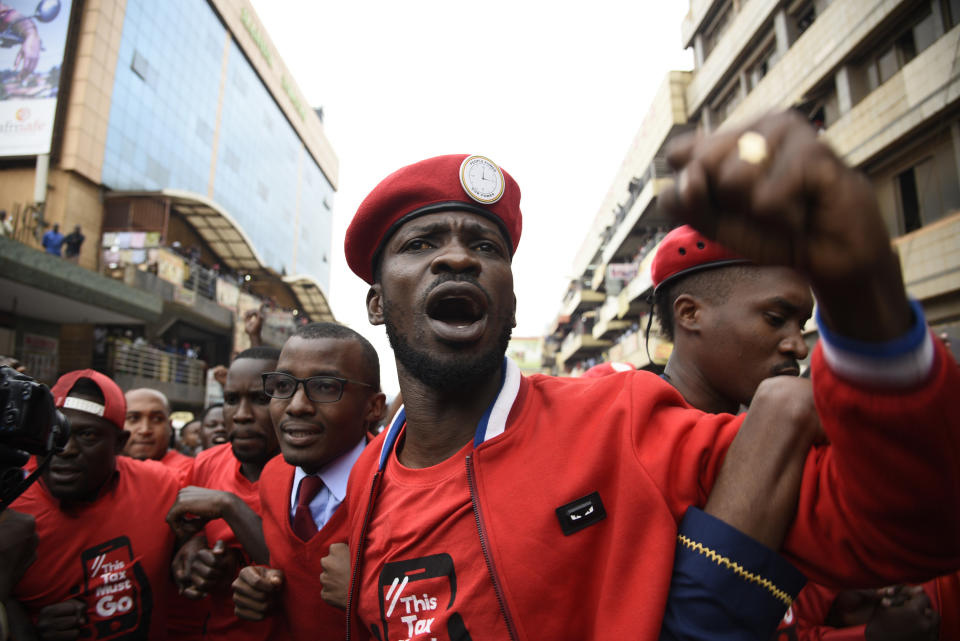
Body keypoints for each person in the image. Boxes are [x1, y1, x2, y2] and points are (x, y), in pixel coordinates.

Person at [339, 112, 960, 641]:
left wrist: (865, 298)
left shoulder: (624, 419)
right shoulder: (367, 476)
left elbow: (910, 528)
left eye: (486, 246)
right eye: (421, 244)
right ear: (374, 304)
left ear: (510, 299)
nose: (458, 256)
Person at [226, 322, 385, 640]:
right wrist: (262, 588)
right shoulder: (273, 476)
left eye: (325, 386)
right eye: (283, 386)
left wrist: (370, 596)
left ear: (373, 407)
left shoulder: (397, 489)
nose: (297, 406)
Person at [9, 369, 180, 640]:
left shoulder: (160, 484)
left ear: (120, 443)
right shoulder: (9, 503)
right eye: (55, 432)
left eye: (87, 435)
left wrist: (194, 543)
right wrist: (23, 627)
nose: (66, 448)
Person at [165, 347, 283, 641]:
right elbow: (193, 538)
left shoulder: (310, 476)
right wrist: (195, 550)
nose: (241, 415)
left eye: (261, 399)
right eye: (231, 400)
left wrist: (229, 506)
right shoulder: (208, 463)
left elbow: (301, 574)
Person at [123, 388, 194, 481]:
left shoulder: (193, 473)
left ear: (170, 426)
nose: (145, 430)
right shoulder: (103, 471)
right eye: (133, 418)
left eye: (157, 419)